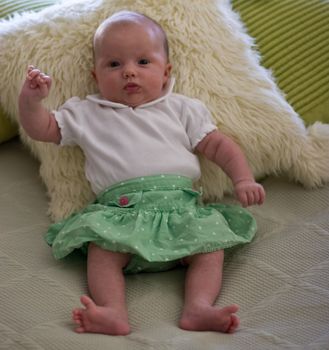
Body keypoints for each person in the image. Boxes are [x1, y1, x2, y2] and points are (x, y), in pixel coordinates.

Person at [19, 11, 265, 336]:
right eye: (114, 64)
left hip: (181, 212)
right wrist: (31, 101)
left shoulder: (181, 109)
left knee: (210, 248)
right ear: (96, 75)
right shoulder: (87, 112)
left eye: (143, 62)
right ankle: (112, 311)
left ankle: (198, 307)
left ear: (166, 72)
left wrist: (243, 178)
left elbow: (220, 146)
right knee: (101, 252)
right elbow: (43, 129)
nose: (129, 72)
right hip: (121, 215)